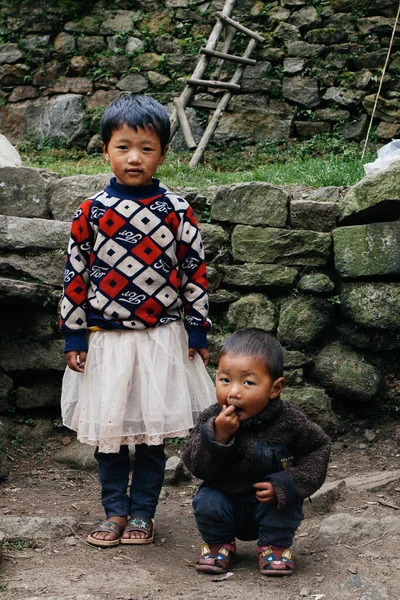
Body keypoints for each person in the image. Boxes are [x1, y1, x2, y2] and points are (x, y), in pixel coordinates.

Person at [59, 94, 215, 548]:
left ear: (163, 154)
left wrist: (197, 328)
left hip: (161, 339)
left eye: (146, 148)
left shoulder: (177, 210)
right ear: (105, 150)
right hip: (105, 340)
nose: (134, 157)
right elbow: (76, 274)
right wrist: (74, 334)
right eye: (124, 146)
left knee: (151, 436)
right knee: (110, 434)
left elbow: (194, 273)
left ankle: (144, 514)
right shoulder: (90, 211)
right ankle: (115, 512)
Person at [182, 328, 331, 577]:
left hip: (269, 502)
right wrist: (217, 436)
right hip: (226, 499)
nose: (233, 392)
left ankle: (274, 547)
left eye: (248, 382)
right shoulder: (212, 418)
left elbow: (319, 449)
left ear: (275, 388)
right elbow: (193, 462)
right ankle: (219, 545)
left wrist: (286, 484)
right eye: (225, 380)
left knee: (286, 503)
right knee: (207, 501)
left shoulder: (290, 421)